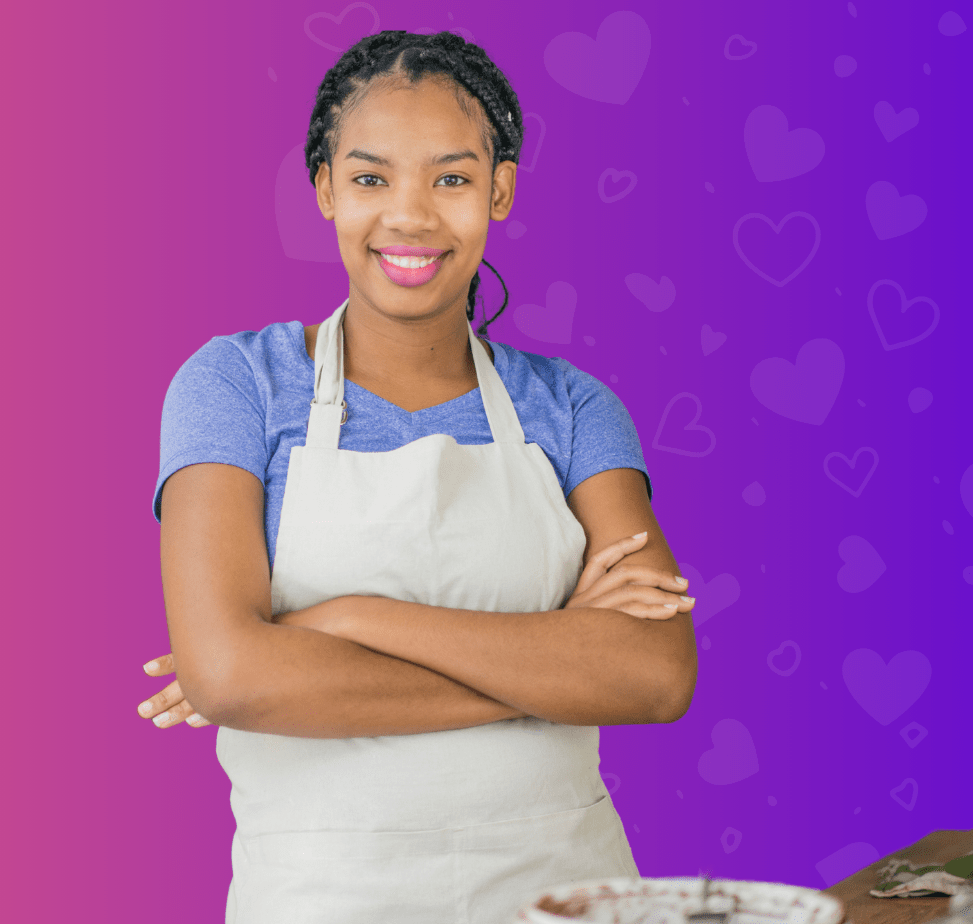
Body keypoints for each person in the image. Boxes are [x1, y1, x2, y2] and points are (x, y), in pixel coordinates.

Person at [137, 31, 700, 924]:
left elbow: (657, 675)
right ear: (323, 189)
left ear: (499, 191)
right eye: (370, 179)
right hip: (325, 902)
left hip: (568, 892)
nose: (410, 216)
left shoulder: (572, 407)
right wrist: (553, 661)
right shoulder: (237, 385)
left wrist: (350, 624)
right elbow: (232, 678)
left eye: (450, 177)